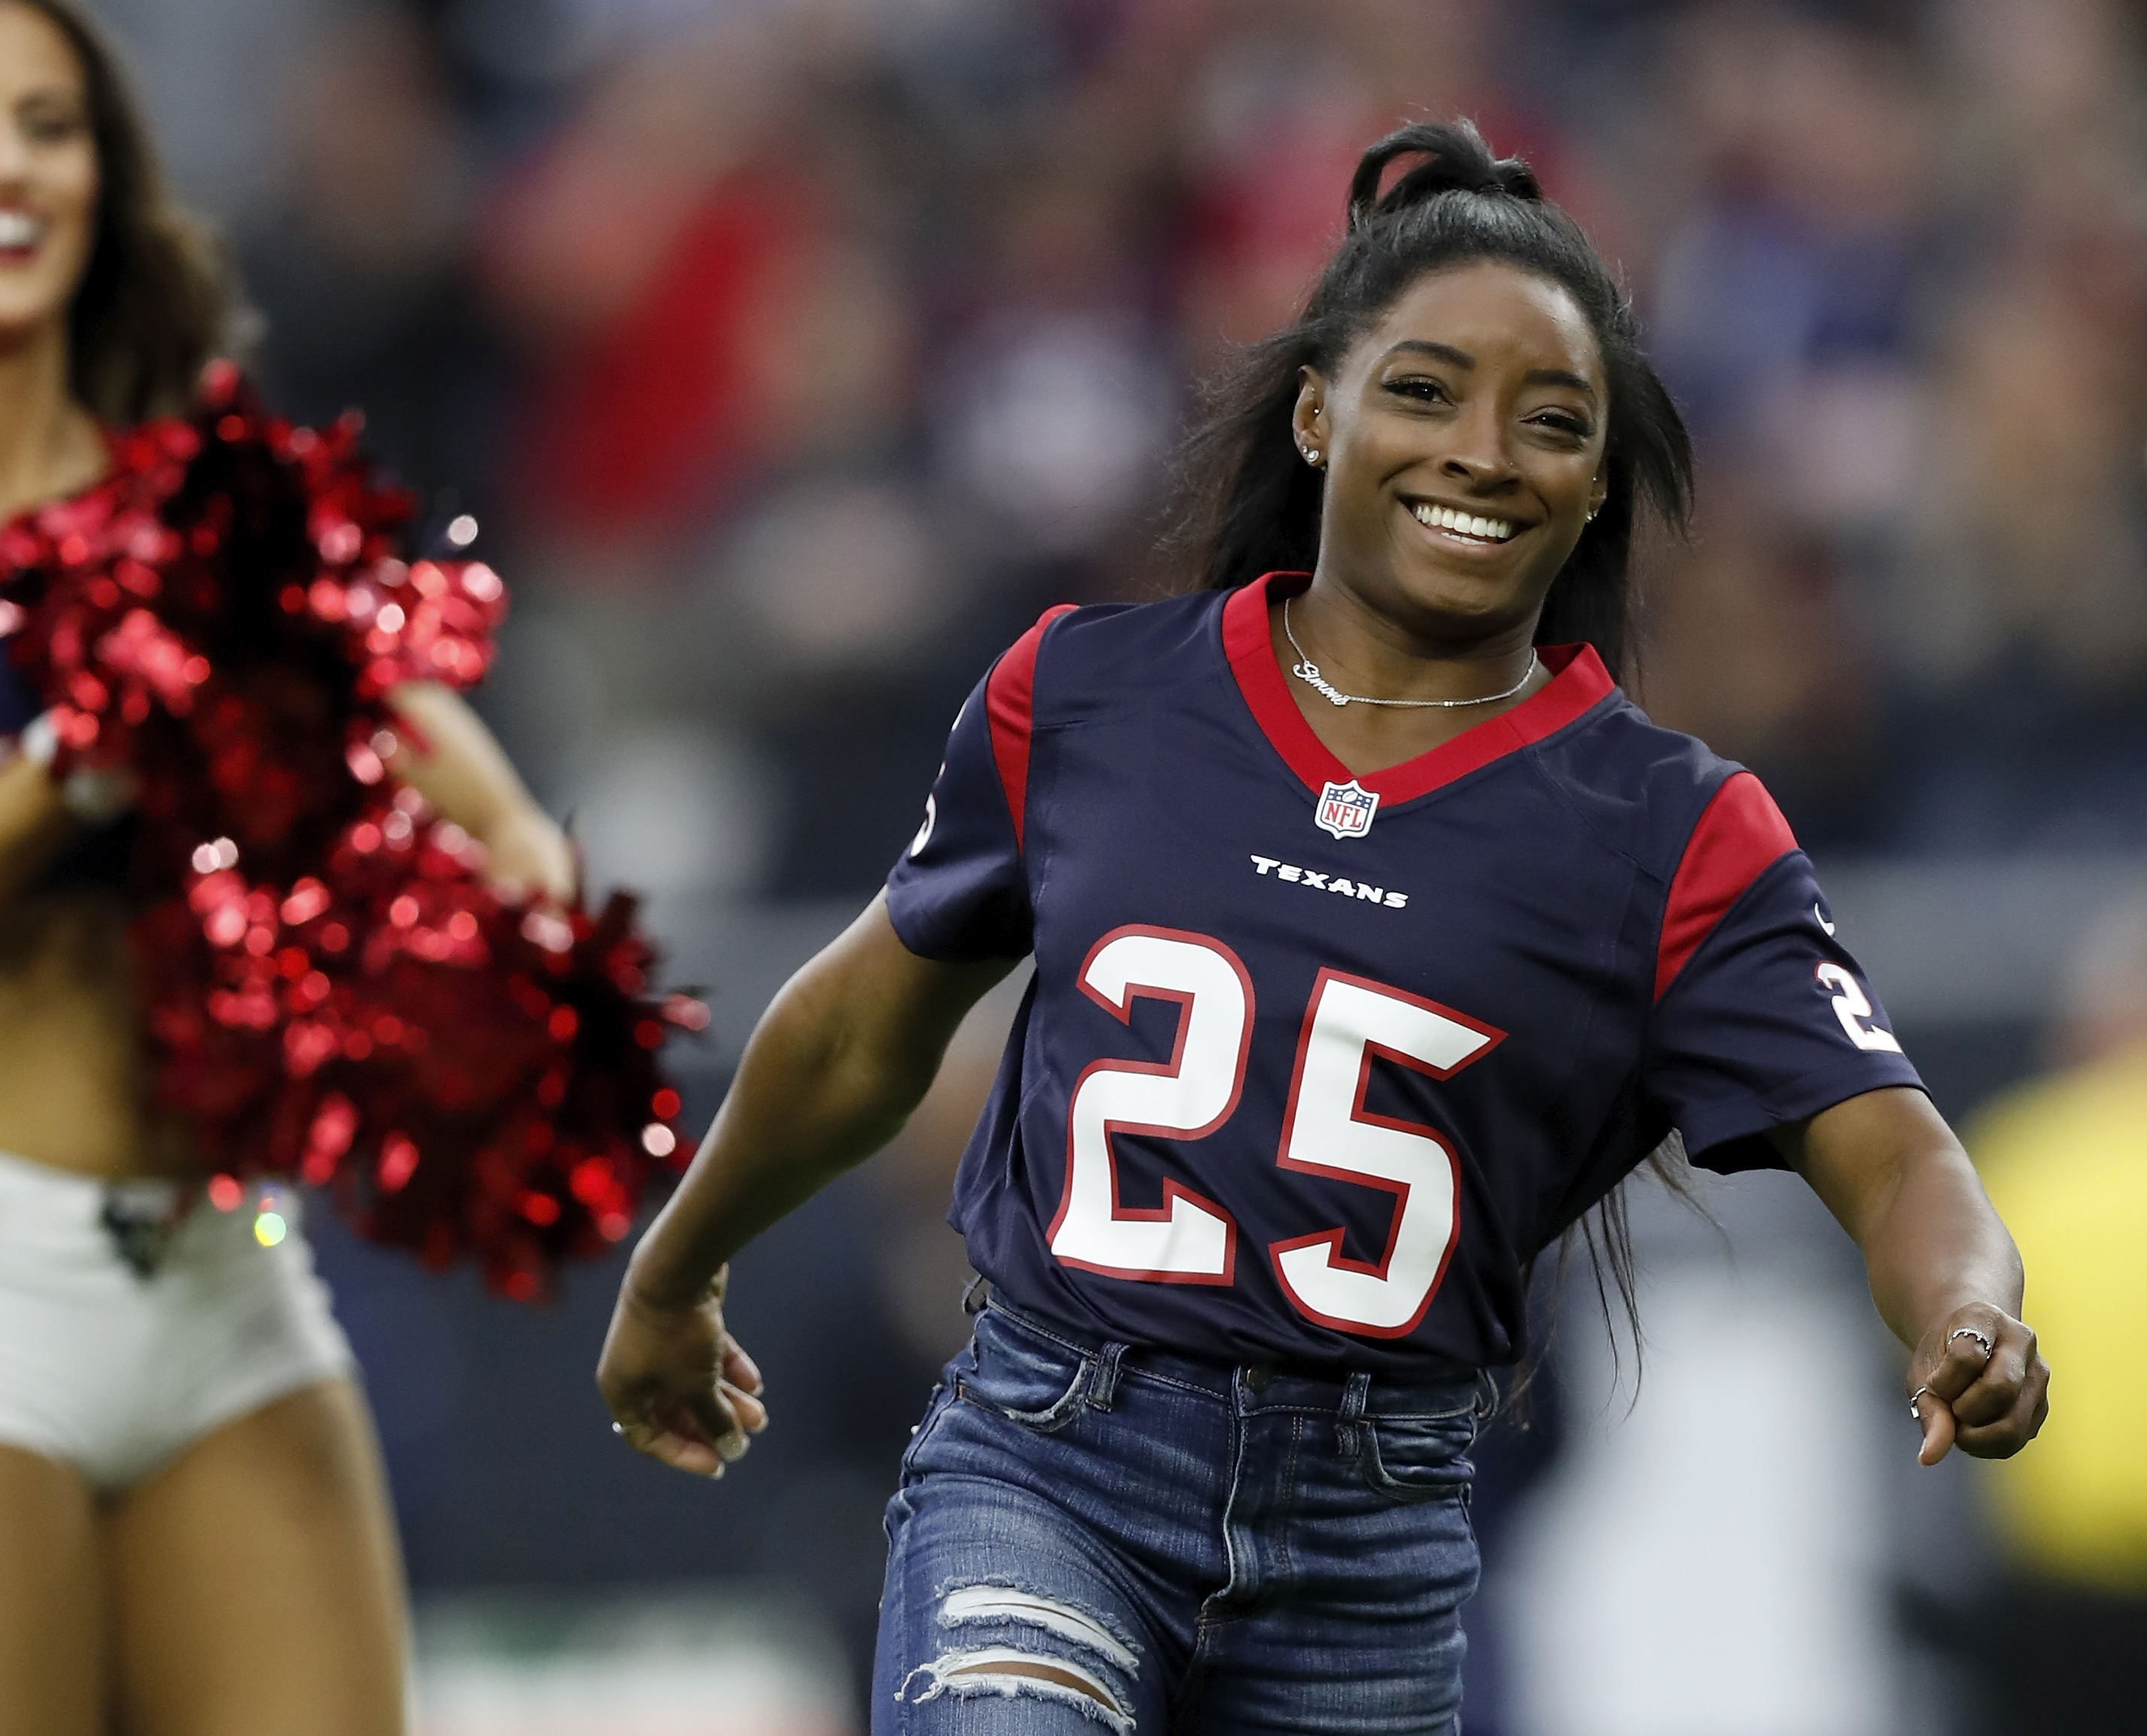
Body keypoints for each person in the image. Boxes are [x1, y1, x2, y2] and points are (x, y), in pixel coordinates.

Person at [600, 119, 2048, 1734]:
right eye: (1424, 390)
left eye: (1550, 419)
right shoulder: (1086, 691)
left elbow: (1893, 1150)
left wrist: (1965, 1305)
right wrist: (677, 1267)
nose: (1482, 451)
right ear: (1315, 410)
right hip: (1052, 1462)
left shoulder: (1669, 828)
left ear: (1595, 487)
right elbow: (862, 1024)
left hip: (1373, 1539)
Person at [0, 4, 570, 1732]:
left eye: (49, 124)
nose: (4, 168)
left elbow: (414, 725)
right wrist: (75, 772)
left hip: (225, 1265)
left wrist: (509, 879)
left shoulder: (189, 463)